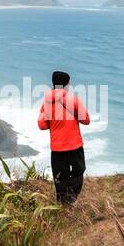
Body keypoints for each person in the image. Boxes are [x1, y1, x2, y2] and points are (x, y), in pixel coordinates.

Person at [38, 70, 90, 204]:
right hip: (74, 145)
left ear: (54, 84)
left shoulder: (47, 103)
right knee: (78, 171)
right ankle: (71, 199)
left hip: (57, 147)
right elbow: (86, 120)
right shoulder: (73, 100)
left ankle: (62, 202)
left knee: (60, 175)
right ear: (66, 85)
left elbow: (42, 125)